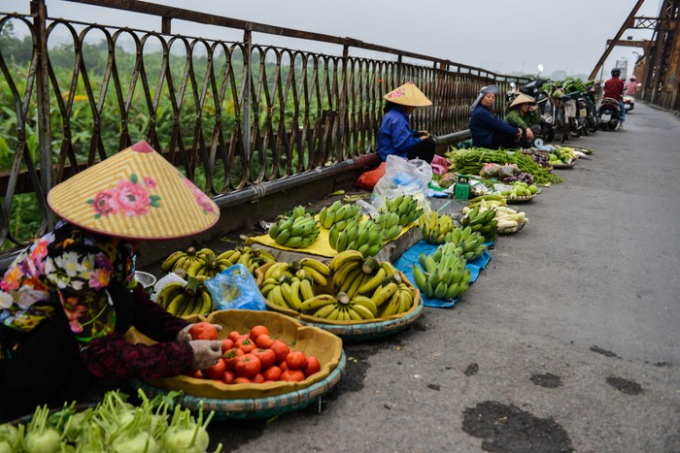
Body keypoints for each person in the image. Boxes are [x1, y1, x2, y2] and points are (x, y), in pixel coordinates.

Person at [0, 140, 224, 420]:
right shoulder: (75, 254)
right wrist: (183, 356)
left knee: (123, 300)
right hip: (17, 363)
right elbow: (99, 352)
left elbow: (135, 298)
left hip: (54, 342)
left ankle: (73, 384)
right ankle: (49, 399)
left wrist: (178, 331)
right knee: (109, 321)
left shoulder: (115, 245)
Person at [377, 81, 435, 163]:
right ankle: (419, 170)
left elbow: (399, 134)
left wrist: (415, 133)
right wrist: (419, 139)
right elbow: (401, 145)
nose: (414, 108)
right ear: (405, 105)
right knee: (429, 143)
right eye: (413, 106)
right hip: (393, 156)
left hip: (387, 153)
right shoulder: (399, 119)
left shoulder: (392, 113)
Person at [469, 85, 522, 149]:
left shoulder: (485, 110)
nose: (491, 99)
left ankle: (513, 147)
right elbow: (498, 125)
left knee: (512, 125)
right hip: (483, 142)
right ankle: (512, 148)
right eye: (488, 97)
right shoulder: (481, 112)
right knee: (507, 130)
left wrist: (515, 130)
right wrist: (516, 131)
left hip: (488, 137)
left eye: (493, 97)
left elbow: (499, 121)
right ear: (481, 98)